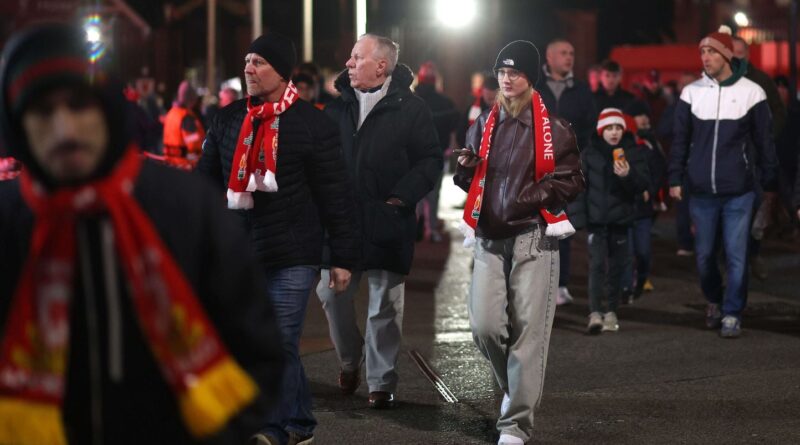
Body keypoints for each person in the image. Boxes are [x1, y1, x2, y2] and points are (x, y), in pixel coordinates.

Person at [0, 23, 284, 445]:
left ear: (107, 109)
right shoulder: (7, 221)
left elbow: (255, 346)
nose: (64, 129)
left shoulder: (185, 207)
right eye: (42, 111)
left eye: (79, 105)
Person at [197, 32, 360, 445]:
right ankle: (300, 421)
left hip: (293, 251)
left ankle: (268, 430)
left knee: (278, 338)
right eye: (247, 60)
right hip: (240, 251)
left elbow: (334, 195)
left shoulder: (312, 123)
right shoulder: (228, 118)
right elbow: (203, 184)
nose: (249, 68)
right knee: (262, 341)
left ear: (281, 71)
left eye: (259, 62)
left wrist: (341, 256)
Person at [454, 40, 583, 445]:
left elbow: (572, 180)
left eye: (515, 73)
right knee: (484, 326)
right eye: (502, 73)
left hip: (533, 238)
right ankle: (515, 387)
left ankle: (515, 425)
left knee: (529, 334)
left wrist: (529, 198)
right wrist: (463, 170)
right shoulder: (483, 123)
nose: (506, 80)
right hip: (489, 238)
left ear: (531, 78)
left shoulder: (556, 129)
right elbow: (469, 182)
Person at [319, 33, 442, 410]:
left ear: (381, 66)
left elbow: (430, 160)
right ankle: (349, 359)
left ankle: (381, 381)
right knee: (329, 294)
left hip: (388, 219)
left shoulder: (412, 108)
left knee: (384, 306)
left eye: (357, 57)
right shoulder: (337, 107)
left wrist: (401, 198)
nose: (349, 63)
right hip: (342, 221)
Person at [668, 26, 778, 338]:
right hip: (701, 192)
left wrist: (770, 185)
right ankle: (714, 300)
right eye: (702, 52)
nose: (705, 57)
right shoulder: (691, 93)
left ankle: (732, 312)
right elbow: (680, 141)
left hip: (739, 192)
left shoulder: (752, 93)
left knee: (736, 254)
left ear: (727, 56)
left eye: (712, 51)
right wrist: (675, 177)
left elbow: (765, 142)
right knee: (703, 257)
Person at [536, 38, 597, 306]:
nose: (569, 57)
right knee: (536, 226)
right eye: (563, 53)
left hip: (568, 169)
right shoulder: (535, 87)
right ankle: (536, 283)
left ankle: (561, 284)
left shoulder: (581, 90)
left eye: (571, 53)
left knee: (564, 226)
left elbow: (590, 126)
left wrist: (574, 151)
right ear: (549, 57)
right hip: (537, 168)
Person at [582, 109, 649, 333]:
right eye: (609, 128)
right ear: (601, 130)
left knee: (617, 267)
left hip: (621, 219)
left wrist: (627, 175)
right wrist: (580, 216)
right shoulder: (590, 153)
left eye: (618, 128)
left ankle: (611, 310)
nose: (613, 133)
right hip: (597, 221)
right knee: (597, 266)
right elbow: (581, 187)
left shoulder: (633, 152)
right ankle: (594, 313)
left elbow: (642, 184)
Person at [623, 100, 667, 298]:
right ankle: (625, 286)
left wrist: (650, 189)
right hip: (623, 208)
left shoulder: (649, 145)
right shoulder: (619, 146)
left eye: (645, 115)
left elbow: (658, 170)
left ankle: (641, 278)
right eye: (639, 115)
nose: (644, 119)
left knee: (643, 252)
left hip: (644, 208)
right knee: (626, 251)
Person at [414, 61, 459, 242]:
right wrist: (451, 150)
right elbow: (454, 130)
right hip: (437, 154)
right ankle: (430, 228)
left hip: (413, 155)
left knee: (414, 193)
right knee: (433, 194)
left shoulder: (411, 100)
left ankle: (415, 226)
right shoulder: (446, 103)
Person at [163, 80, 205, 169]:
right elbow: (193, 146)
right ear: (191, 100)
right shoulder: (186, 117)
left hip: (171, 163)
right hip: (185, 166)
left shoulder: (171, 113)